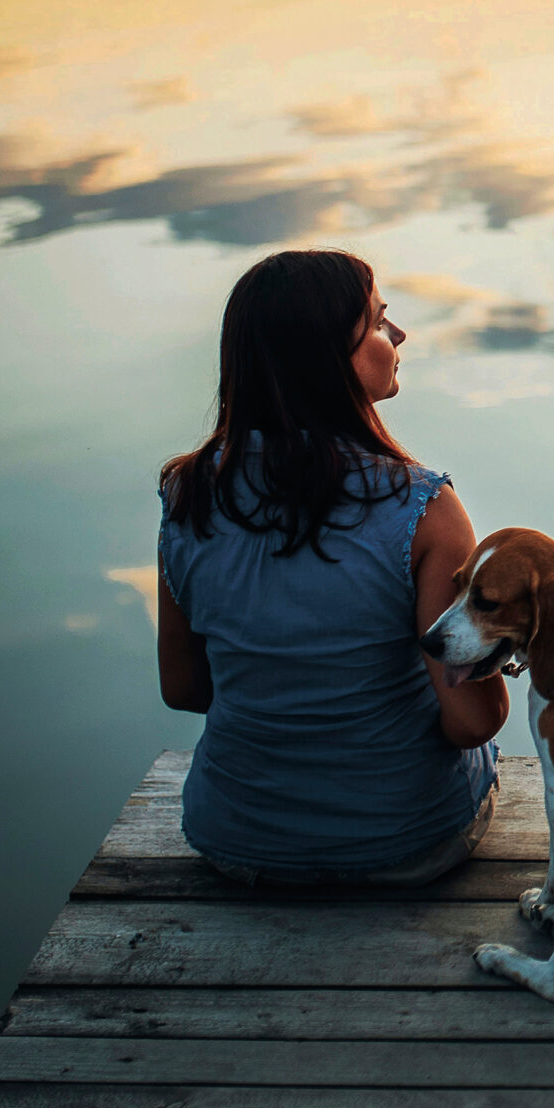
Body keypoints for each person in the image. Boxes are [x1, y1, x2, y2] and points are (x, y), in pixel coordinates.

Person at [155, 249, 505, 886]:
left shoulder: (187, 494)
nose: (397, 336)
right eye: (376, 323)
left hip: (236, 840)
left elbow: (185, 689)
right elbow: (472, 721)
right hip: (408, 843)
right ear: (326, 357)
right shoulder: (425, 507)